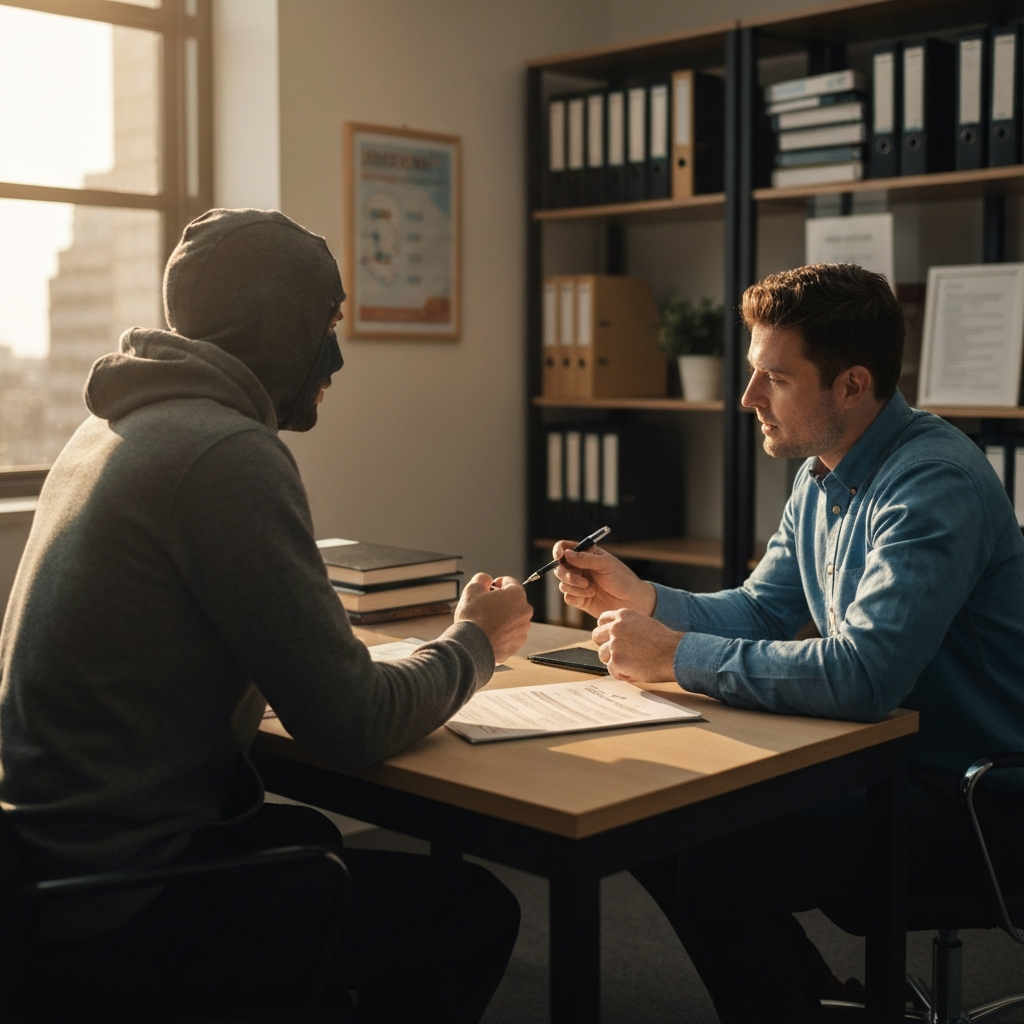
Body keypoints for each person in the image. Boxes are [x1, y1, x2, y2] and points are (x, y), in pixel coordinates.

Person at [0, 208, 532, 1022]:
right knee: (473, 911)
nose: (337, 353)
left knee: (309, 837)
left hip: (47, 876)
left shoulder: (110, 429)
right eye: (326, 320)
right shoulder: (223, 452)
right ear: (275, 323)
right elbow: (351, 725)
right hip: (123, 906)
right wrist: (478, 640)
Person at [552, 263, 1024, 1023]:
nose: (747, 400)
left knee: (715, 866)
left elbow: (864, 676)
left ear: (851, 385)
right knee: (645, 825)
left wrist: (671, 654)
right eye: (751, 374)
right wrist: (641, 597)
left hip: (974, 794)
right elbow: (762, 610)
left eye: (773, 378)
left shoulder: (933, 484)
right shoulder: (822, 472)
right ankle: (812, 1000)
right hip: (882, 760)